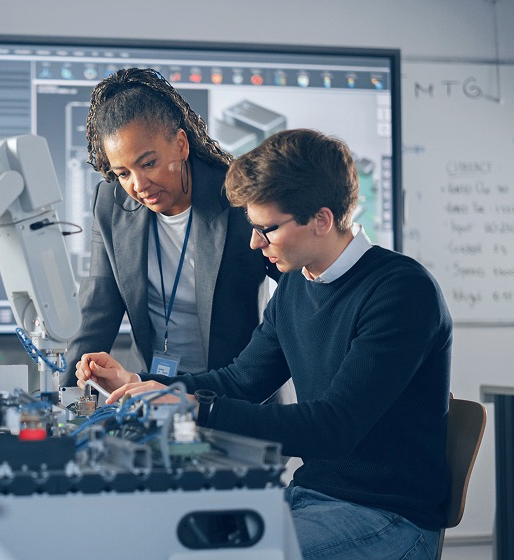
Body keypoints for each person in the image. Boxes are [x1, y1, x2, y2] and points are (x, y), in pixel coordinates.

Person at [77, 128, 452, 559]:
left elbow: (333, 428)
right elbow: (241, 380)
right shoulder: (296, 285)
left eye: (266, 229)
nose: (255, 243)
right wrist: (144, 385)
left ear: (322, 219)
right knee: (158, 540)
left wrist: (199, 408)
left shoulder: (401, 292)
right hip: (310, 497)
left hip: (389, 517)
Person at [66, 67, 278, 386]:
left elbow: (297, 291)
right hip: (149, 387)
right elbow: (97, 310)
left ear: (181, 144)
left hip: (234, 390)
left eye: (148, 163)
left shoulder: (238, 198)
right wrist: (66, 396)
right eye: (123, 173)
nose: (139, 185)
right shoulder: (110, 204)